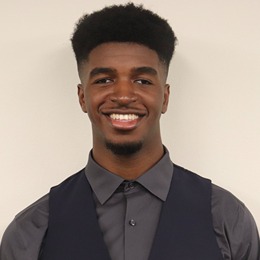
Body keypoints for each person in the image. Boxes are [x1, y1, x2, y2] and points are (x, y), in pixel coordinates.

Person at [0, 3, 259, 260]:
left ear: (165, 97)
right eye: (104, 80)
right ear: (82, 97)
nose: (123, 95)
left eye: (142, 81)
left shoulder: (227, 220)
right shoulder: (32, 231)